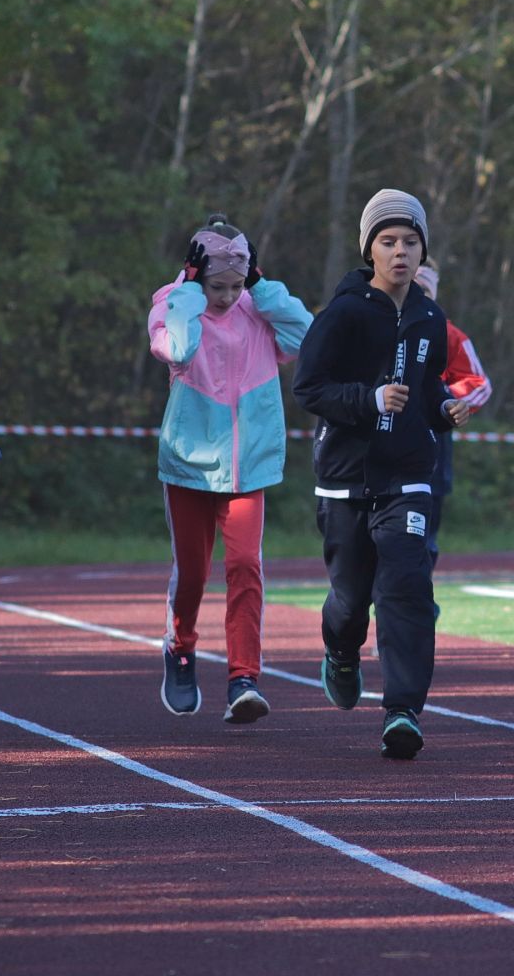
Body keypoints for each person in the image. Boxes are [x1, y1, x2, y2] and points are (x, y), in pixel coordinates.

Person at [294, 189, 472, 759]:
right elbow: (309, 388)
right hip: (346, 477)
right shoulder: (343, 313)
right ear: (369, 249)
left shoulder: (429, 317)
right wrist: (368, 401)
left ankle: (402, 710)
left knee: (407, 586)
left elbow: (424, 390)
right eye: (389, 242)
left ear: (424, 252)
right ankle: (342, 654)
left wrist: (443, 409)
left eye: (410, 242)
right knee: (350, 600)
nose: (400, 252)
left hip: (408, 476)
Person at [148, 214, 312, 723]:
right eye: (219, 285)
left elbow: (307, 337)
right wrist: (190, 291)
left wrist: (262, 289)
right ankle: (180, 644)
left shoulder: (257, 308)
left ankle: (244, 676)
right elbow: (176, 348)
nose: (228, 295)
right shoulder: (175, 306)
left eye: (237, 284)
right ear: (197, 275)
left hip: (250, 468)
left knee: (245, 567)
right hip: (189, 467)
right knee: (194, 574)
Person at [412, 263, 491, 572]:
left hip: (430, 454)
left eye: (425, 291)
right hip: (376, 458)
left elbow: (479, 383)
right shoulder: (369, 324)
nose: (416, 296)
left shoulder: (447, 333)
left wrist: (446, 403)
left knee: (423, 543)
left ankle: (420, 613)